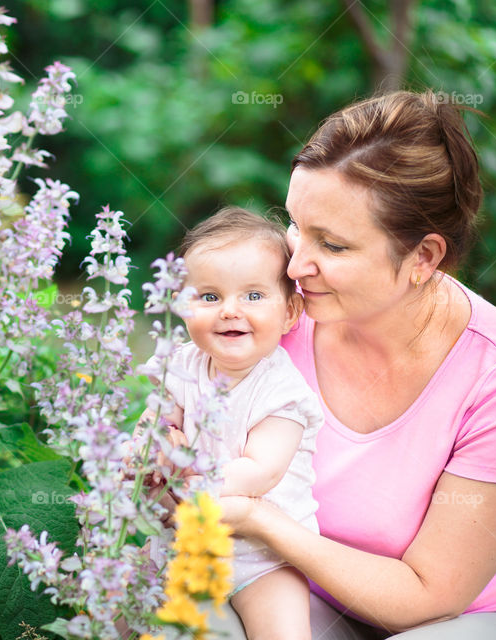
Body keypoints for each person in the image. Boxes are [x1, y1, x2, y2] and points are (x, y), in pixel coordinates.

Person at [205, 90, 496, 639]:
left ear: (423, 257)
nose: (296, 265)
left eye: (333, 245)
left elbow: (428, 596)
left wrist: (260, 519)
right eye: (296, 225)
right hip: (301, 586)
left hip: (457, 618)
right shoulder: (276, 314)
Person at [139, 206, 324, 640]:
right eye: (209, 296)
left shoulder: (282, 392)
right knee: (123, 611)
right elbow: (156, 423)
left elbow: (260, 471)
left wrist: (184, 477)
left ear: (291, 312)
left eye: (253, 296)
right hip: (181, 542)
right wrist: (147, 449)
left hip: (263, 559)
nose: (229, 310)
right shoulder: (181, 365)